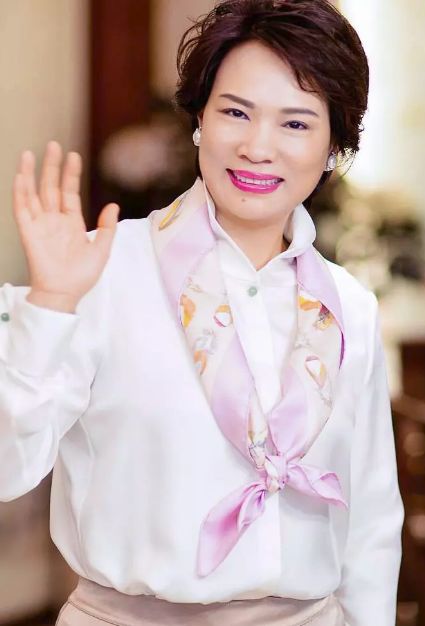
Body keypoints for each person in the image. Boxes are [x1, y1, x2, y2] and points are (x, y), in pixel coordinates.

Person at [0, 1, 404, 624]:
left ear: (334, 146)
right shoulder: (101, 269)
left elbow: (372, 521)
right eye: (235, 112)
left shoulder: (349, 307)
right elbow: (8, 467)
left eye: (295, 123)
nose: (257, 147)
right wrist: (51, 305)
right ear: (198, 121)